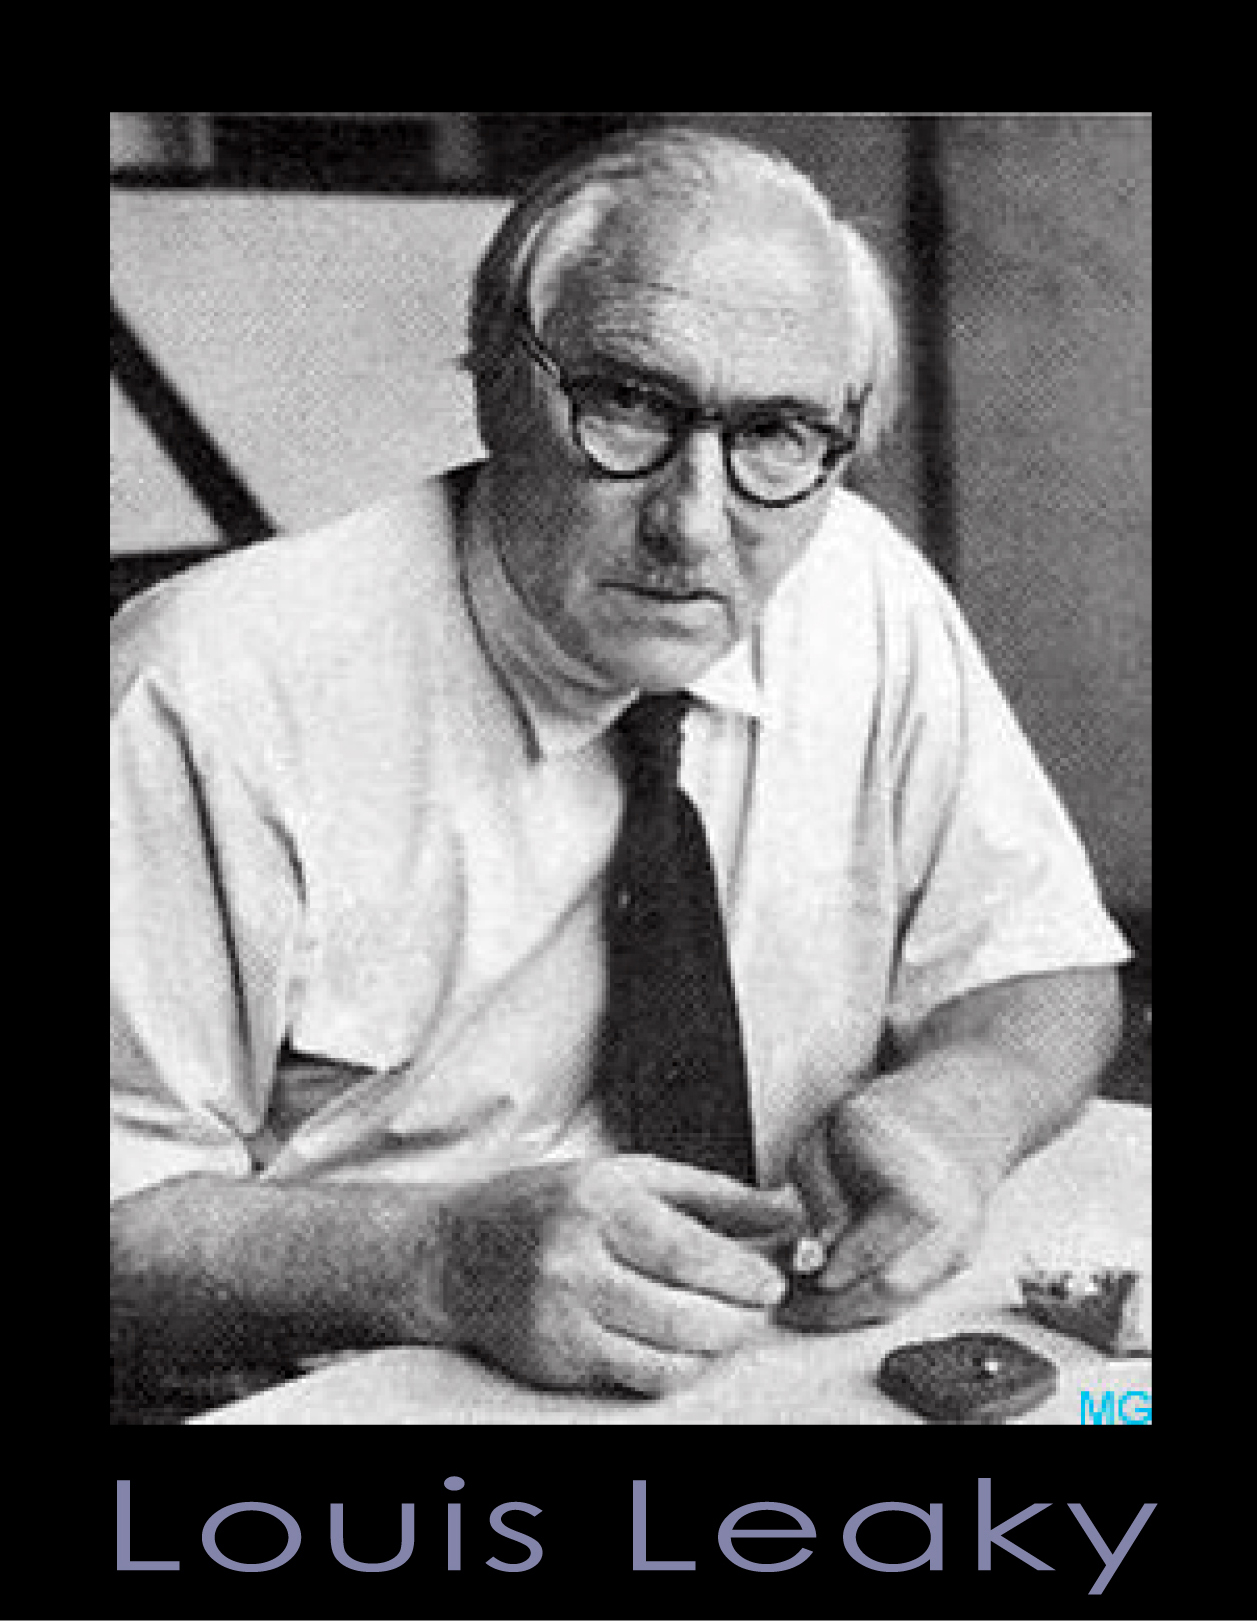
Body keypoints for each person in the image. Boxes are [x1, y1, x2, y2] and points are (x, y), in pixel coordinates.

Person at [110, 124, 1127, 1405]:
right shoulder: (207, 687)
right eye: (629, 403)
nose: (692, 524)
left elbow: (1041, 966)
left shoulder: (860, 588)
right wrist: (435, 1261)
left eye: (778, 431)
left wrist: (960, 1109)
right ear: (495, 382)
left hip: (771, 1351)